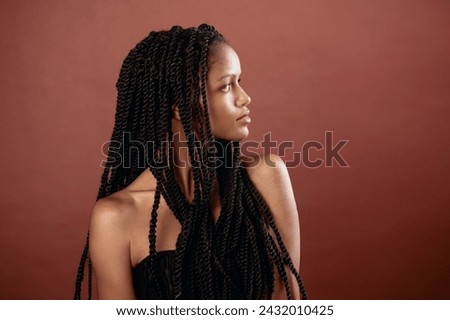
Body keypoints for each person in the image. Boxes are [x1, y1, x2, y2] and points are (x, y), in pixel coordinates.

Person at [74, 24, 307, 300]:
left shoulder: (266, 177)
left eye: (239, 82)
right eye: (226, 86)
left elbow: (288, 302)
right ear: (177, 104)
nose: (245, 98)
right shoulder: (115, 218)